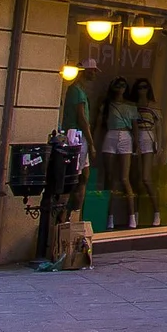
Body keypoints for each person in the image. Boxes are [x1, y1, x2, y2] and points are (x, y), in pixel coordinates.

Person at [96, 76, 138, 229]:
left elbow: (135, 127)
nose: (120, 87)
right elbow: (99, 123)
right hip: (111, 134)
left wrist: (137, 144)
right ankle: (109, 216)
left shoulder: (130, 106)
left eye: (123, 85)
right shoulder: (106, 105)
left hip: (125, 135)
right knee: (110, 177)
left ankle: (132, 215)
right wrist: (93, 143)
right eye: (117, 85)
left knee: (124, 178)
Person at [60, 59, 98, 220]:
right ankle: (66, 213)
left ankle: (73, 213)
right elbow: (81, 118)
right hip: (76, 136)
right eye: (93, 70)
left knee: (84, 176)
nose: (95, 74)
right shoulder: (76, 91)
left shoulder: (78, 90)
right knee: (76, 176)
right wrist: (91, 142)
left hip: (77, 135)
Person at [129, 78, 162, 227]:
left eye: (145, 87)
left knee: (146, 178)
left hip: (148, 138)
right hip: (135, 139)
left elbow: (159, 127)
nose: (142, 90)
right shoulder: (133, 107)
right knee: (135, 179)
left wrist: (159, 145)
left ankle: (157, 211)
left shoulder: (153, 107)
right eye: (139, 87)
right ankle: (135, 213)